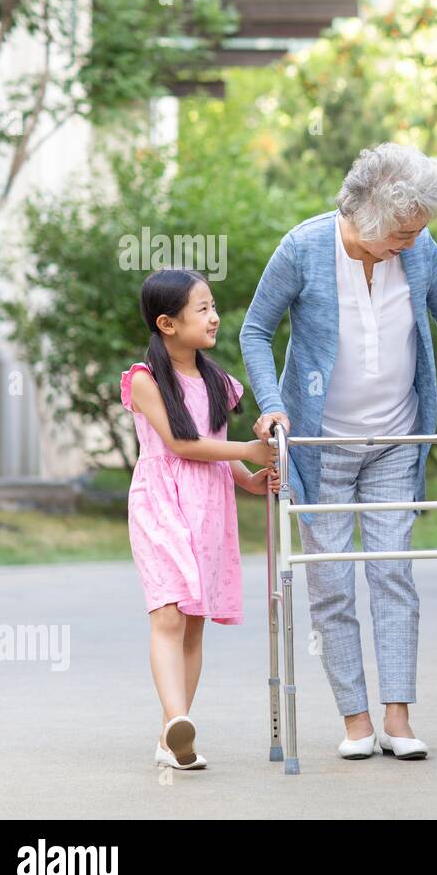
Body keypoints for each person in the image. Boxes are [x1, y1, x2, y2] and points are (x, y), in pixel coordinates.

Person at [240, 143, 437, 761]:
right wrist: (272, 404)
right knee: (330, 584)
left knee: (393, 573)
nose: (413, 242)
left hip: (396, 440)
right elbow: (255, 330)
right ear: (369, 215)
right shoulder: (304, 248)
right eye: (403, 233)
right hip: (321, 445)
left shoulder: (420, 250)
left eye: (419, 230)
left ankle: (397, 718)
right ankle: (355, 720)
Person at [121, 268, 277, 770]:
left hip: (209, 505)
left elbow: (216, 446)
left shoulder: (218, 382)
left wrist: (250, 478)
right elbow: (182, 444)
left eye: (213, 307)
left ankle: (173, 738)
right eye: (203, 308)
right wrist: (249, 449)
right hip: (160, 503)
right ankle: (176, 722)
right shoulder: (144, 380)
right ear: (167, 323)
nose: (214, 317)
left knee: (193, 622)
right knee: (168, 611)